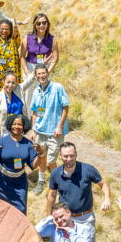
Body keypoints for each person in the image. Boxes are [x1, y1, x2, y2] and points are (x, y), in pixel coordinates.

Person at [45, 142, 111, 242]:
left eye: (71, 155)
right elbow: (52, 195)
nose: (69, 159)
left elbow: (103, 184)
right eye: (65, 156)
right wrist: (49, 217)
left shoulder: (87, 169)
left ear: (76, 154)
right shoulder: (55, 173)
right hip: (65, 219)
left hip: (85, 218)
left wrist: (106, 199)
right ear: (60, 156)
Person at [0, 114, 43, 214]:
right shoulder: (2, 141)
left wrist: (40, 153)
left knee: (20, 211)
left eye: (20, 124)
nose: (16, 127)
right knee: (1, 212)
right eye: (14, 124)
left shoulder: (29, 144)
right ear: (10, 125)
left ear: (24, 126)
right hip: (1, 181)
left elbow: (34, 165)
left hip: (19, 183)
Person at [28, 65, 70, 195]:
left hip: (54, 133)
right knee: (41, 156)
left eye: (43, 73)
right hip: (40, 131)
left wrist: (60, 127)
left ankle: (58, 184)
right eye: (39, 74)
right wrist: (33, 130)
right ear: (35, 76)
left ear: (48, 73)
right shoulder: (36, 92)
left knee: (52, 160)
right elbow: (34, 111)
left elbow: (66, 108)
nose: (41, 76)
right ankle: (41, 181)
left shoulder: (58, 88)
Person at [19, 13, 59, 110]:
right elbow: (22, 56)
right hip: (30, 68)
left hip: (45, 69)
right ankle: (29, 119)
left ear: (47, 24)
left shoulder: (52, 39)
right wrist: (27, 72)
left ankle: (41, 119)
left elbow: (55, 58)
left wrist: (48, 72)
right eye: (38, 23)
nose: (41, 25)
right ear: (34, 25)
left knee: (43, 94)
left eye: (44, 23)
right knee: (29, 95)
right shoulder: (28, 38)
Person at [0, 18, 22, 94]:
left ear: (11, 30)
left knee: (10, 96)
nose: (4, 31)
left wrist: (15, 27)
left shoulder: (13, 42)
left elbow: (16, 36)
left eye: (7, 29)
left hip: (10, 74)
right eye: (2, 29)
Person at [0, 71, 24, 144]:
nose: (10, 85)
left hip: (17, 129)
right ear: (3, 82)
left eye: (13, 82)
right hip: (3, 130)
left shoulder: (18, 90)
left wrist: (43, 65)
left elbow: (30, 80)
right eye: (8, 82)